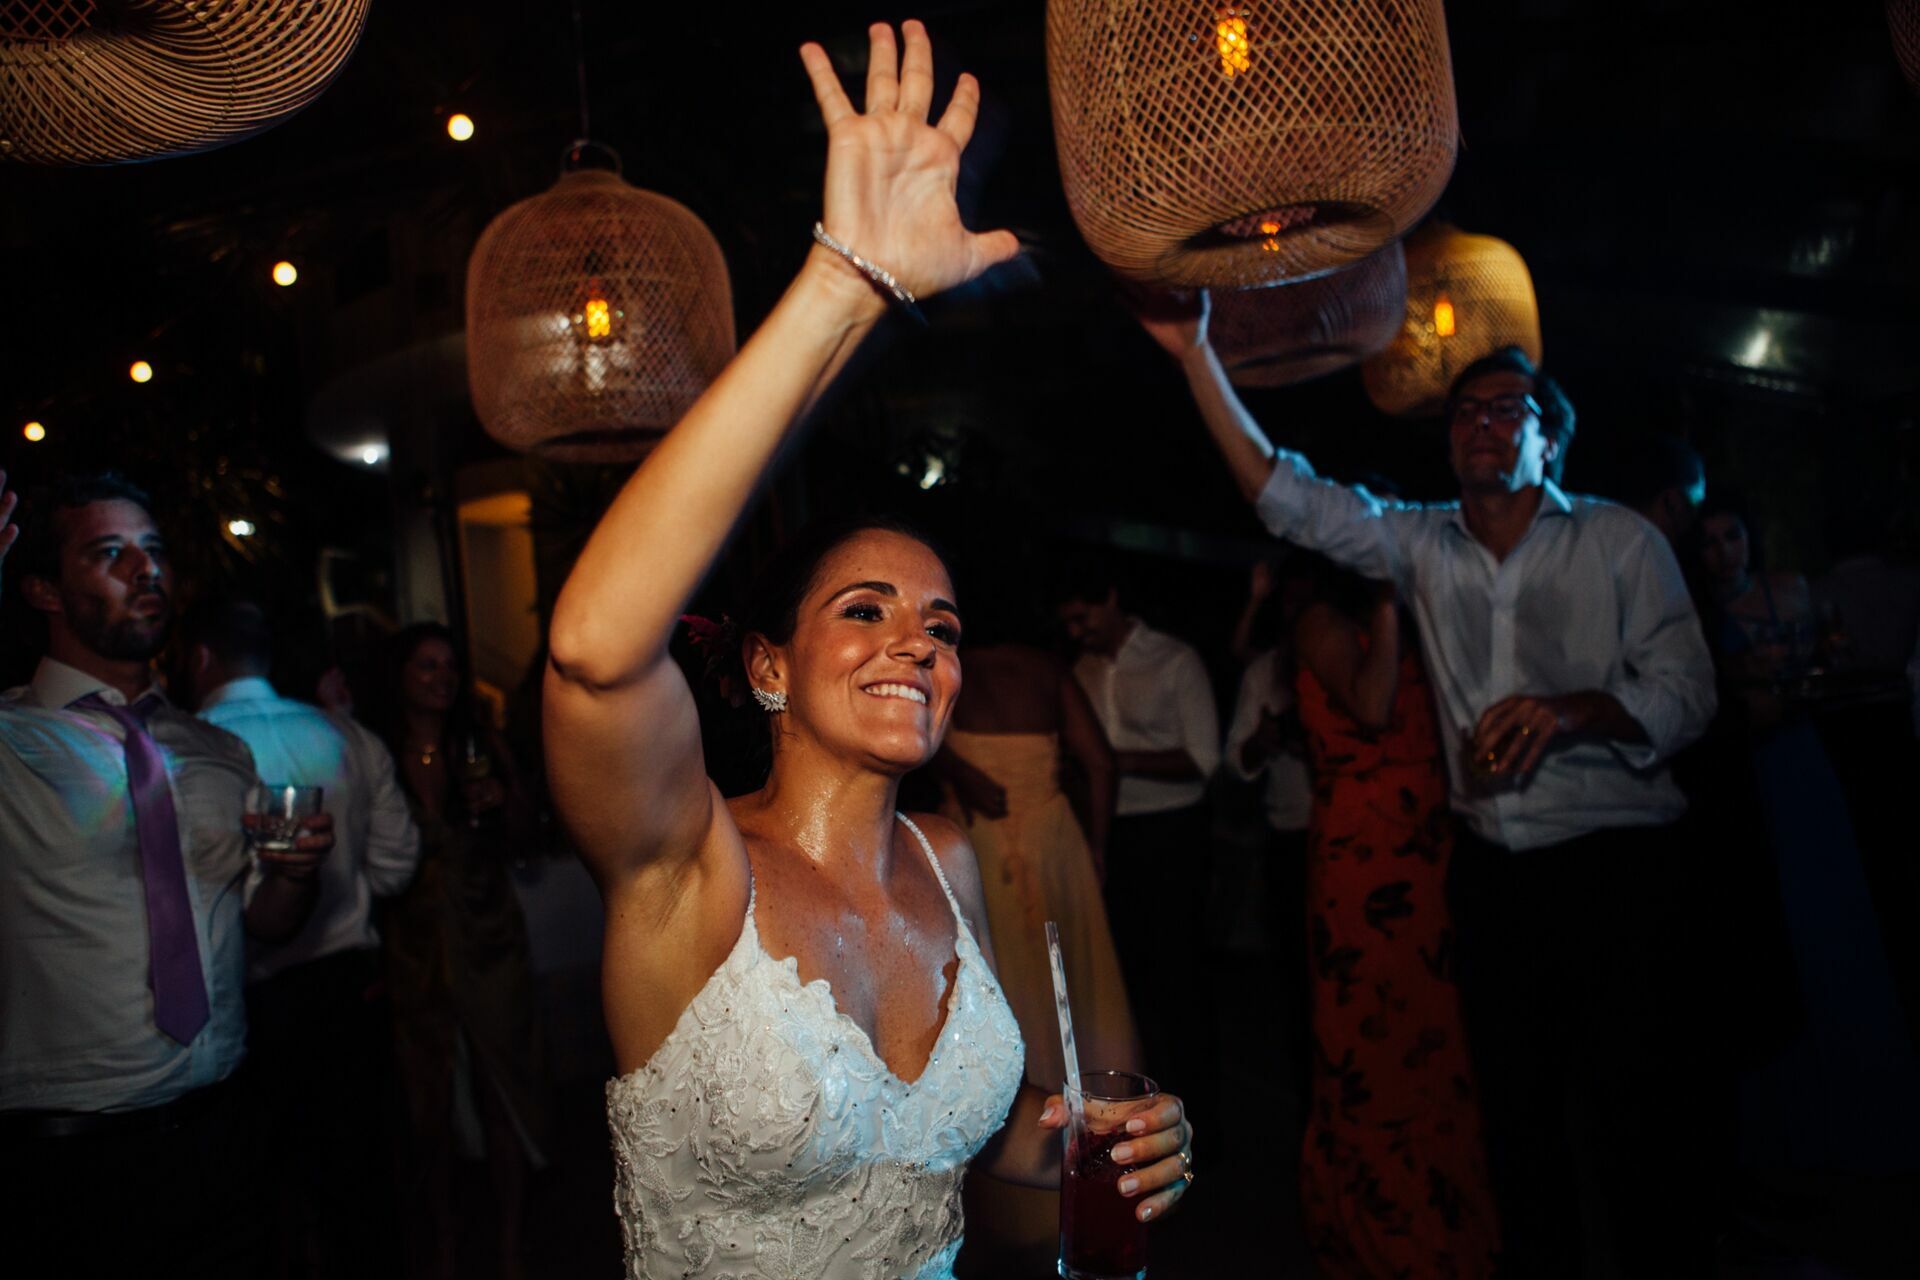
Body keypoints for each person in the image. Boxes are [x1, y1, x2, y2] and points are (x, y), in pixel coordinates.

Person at [541, 24, 1192, 1276]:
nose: (918, 642)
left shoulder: (950, 858)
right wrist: (843, 288)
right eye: (864, 609)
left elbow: (961, 1135)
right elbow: (592, 650)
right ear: (768, 667)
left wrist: (1108, 1137)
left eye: (941, 624)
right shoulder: (685, 865)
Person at [1141, 300, 1718, 1273]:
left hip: (1617, 868)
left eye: (1507, 409)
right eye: (1466, 413)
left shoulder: (1620, 542)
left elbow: (1691, 692)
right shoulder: (1418, 543)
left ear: (1550, 438)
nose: (1482, 424)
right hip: (1489, 875)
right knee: (1516, 1124)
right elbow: (1284, 493)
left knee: (1638, 1119)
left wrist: (1580, 708)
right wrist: (1197, 352)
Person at [0, 471, 332, 1279]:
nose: (145, 569)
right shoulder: (12, 742)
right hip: (66, 1161)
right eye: (110, 553)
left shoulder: (218, 749)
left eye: (152, 550)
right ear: (44, 589)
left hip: (227, 1133)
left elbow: (263, 922)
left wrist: (294, 875)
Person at [179, 595, 421, 1279]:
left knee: (262, 1197)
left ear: (198, 659)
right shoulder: (345, 734)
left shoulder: (192, 746)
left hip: (247, 1001)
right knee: (361, 1187)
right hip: (348, 992)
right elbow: (397, 867)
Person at [1693, 494, 1920, 1176]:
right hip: (1749, 768)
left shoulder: (1789, 589)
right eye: (1709, 542)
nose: (1723, 553)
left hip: (1801, 755)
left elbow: (1832, 656)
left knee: (1834, 904)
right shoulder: (1696, 614)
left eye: (1732, 536)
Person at [1288, 555, 1499, 1278]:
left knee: (1436, 1036)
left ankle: (1448, 1225)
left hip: (1429, 848)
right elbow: (1373, 706)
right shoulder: (1322, 622)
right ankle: (1385, 1231)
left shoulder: (1424, 617)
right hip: (1364, 858)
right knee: (1374, 1043)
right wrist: (1387, 601)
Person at [927, 566, 1140, 1276]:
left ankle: (1014, 1205)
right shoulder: (1048, 671)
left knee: (1009, 1001)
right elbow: (1101, 762)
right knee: (1073, 997)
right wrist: (1098, 849)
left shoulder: (948, 673)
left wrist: (955, 767)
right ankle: (1098, 1169)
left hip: (980, 852)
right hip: (1055, 854)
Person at [373, 621, 547, 1280]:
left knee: (503, 1092)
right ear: (400, 676)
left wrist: (506, 802)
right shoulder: (379, 756)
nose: (441, 678)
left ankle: (510, 1245)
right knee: (430, 1109)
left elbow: (529, 839)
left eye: (449, 666)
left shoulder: (480, 745)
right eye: (427, 666)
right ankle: (443, 1245)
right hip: (413, 952)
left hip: (489, 941)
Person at [1054, 563, 1221, 1125]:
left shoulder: (1175, 660)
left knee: (1182, 980)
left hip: (1172, 835)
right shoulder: (1081, 668)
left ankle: (1200, 1119)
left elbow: (1205, 759)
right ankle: (1141, 1110)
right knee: (1126, 983)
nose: (1076, 631)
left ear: (1111, 597)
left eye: (1083, 617)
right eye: (1067, 622)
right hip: (1109, 835)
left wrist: (1109, 762)